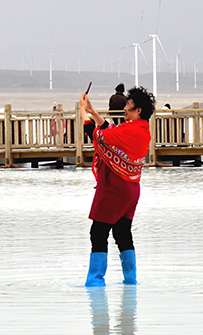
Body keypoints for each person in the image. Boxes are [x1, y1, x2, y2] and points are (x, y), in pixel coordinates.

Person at [80, 86, 155, 287]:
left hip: (116, 187)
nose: (124, 108)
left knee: (98, 232)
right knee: (122, 232)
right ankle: (131, 280)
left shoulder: (130, 129)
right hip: (131, 189)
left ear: (138, 110)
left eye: (128, 106)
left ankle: (95, 281)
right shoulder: (142, 129)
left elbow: (98, 136)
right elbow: (110, 129)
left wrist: (82, 114)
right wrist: (93, 112)